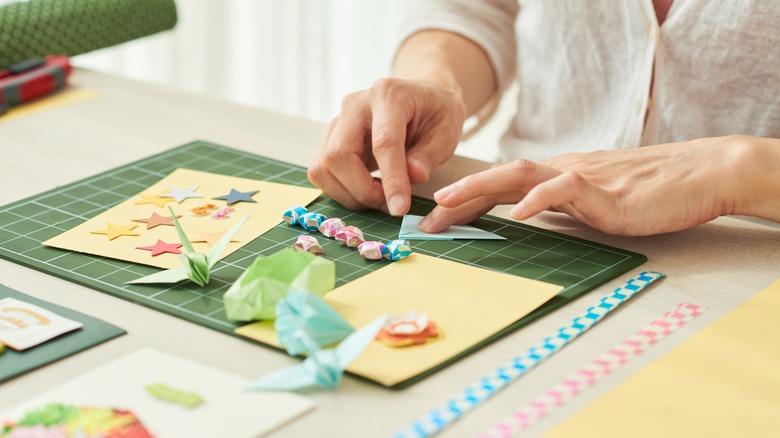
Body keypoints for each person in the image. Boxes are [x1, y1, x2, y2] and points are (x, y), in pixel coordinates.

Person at [307, 1, 780, 236]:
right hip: (526, 218)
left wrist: (735, 169)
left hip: (749, 250)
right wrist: (439, 80)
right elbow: (479, 9)